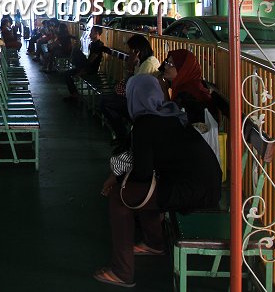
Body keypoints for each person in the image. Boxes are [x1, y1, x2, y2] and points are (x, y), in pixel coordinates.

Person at [95, 74, 221, 287]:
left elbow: (142, 174)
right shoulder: (170, 113)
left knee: (121, 196)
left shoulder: (145, 124)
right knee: (143, 190)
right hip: (208, 185)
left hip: (192, 192)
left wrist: (117, 180)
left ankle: (122, 271)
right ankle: (154, 242)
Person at [100, 34, 161, 141]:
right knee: (105, 102)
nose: (129, 53)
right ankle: (122, 135)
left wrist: (129, 68)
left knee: (106, 104)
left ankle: (123, 136)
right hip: (136, 100)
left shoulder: (149, 64)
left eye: (130, 50)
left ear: (137, 50)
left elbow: (132, 87)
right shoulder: (141, 62)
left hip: (142, 105)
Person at [161, 49, 214, 124]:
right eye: (167, 62)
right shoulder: (185, 85)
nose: (165, 67)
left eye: (171, 64)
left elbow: (170, 118)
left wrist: (164, 89)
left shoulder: (188, 94)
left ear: (183, 69)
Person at [63, 26, 104, 102]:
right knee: (76, 50)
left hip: (91, 69)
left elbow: (91, 60)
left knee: (67, 73)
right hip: (87, 66)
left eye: (92, 32)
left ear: (97, 33)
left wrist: (82, 70)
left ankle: (74, 94)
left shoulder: (99, 45)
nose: (90, 34)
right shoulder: (93, 44)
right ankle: (74, 94)